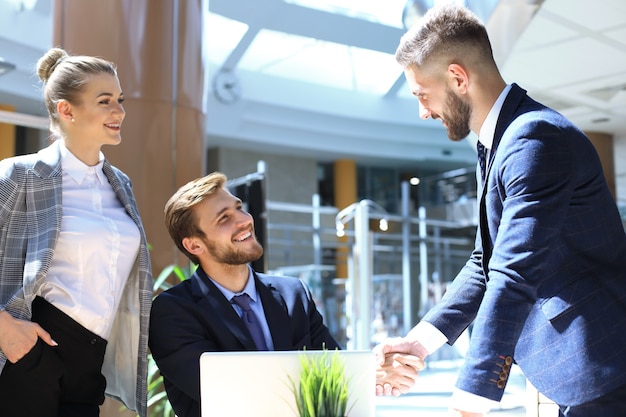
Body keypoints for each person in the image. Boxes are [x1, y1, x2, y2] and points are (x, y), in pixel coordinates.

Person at [374, 4, 626, 417]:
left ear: (457, 78)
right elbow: (485, 262)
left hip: (606, 371)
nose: (422, 111)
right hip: (587, 377)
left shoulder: (534, 139)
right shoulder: (499, 143)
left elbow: (513, 272)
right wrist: (419, 343)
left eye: (422, 94)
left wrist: (471, 400)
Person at [0, 47, 153, 417]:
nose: (119, 111)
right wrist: (4, 328)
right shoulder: (18, 175)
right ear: (66, 111)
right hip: (29, 347)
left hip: (90, 359)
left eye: (119, 99)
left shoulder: (121, 185)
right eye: (105, 101)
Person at [149, 171, 340, 417]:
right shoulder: (172, 312)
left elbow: (336, 372)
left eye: (239, 208)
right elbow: (227, 395)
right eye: (224, 218)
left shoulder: (294, 294)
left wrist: (376, 367)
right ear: (195, 245)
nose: (244, 220)